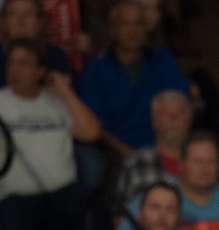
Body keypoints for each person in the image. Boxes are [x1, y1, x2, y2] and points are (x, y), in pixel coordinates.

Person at [0, 38, 102, 230]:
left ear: (40, 71)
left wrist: (65, 92)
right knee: (14, 225)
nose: (15, 70)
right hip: (15, 198)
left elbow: (91, 133)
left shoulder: (58, 103)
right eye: (11, 63)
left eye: (24, 63)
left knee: (93, 208)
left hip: (60, 194)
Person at [77, 1, 191, 156]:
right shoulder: (95, 71)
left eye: (139, 24)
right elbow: (97, 128)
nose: (133, 31)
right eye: (125, 24)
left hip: (165, 149)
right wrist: (130, 155)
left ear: (146, 29)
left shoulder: (161, 59)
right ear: (112, 29)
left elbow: (180, 101)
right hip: (117, 154)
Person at [114, 89, 193, 204]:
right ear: (155, 121)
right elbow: (119, 215)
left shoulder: (205, 162)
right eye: (166, 113)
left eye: (180, 113)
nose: (173, 119)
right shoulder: (135, 163)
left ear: (188, 121)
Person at [0, 0, 71, 96]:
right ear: (5, 22)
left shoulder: (55, 55)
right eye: (13, 15)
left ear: (39, 22)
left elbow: (65, 97)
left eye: (28, 15)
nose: (20, 21)